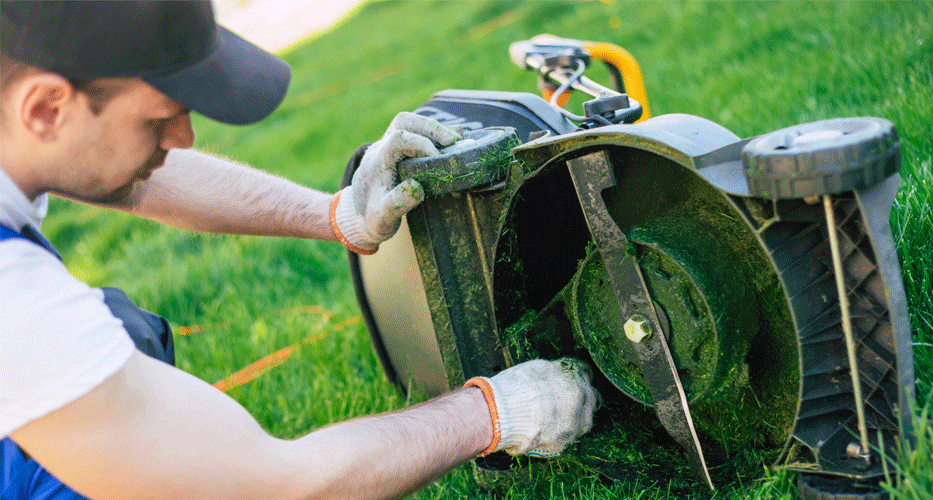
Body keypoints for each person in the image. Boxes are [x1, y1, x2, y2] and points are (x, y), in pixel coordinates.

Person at [0, 1, 598, 499]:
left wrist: (336, 214)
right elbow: (269, 485)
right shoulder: (15, 304)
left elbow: (127, 171)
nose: (182, 140)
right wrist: (495, 413)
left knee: (121, 338)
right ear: (46, 110)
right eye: (160, 120)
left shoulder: (23, 132)